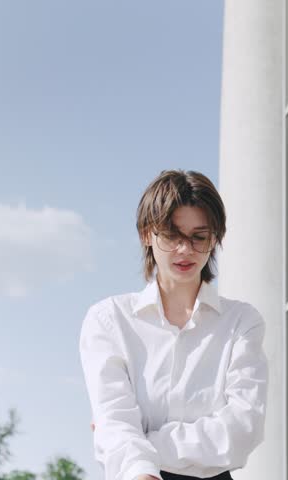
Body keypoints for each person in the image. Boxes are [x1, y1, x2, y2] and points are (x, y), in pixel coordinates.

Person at [80, 170, 267, 480]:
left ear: (215, 239)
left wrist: (139, 444)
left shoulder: (241, 322)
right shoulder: (109, 320)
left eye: (199, 237)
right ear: (146, 234)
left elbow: (243, 429)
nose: (185, 249)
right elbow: (114, 417)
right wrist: (134, 456)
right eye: (171, 235)